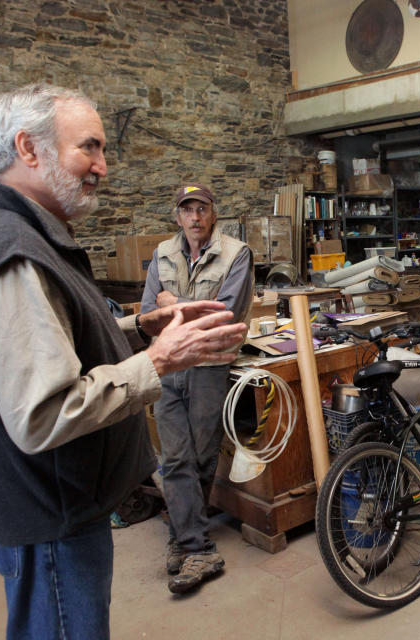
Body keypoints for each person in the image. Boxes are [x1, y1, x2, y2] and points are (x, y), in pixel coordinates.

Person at [0, 84, 247, 639]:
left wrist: (133, 327)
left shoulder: (20, 235)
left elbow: (53, 337)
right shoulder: (13, 254)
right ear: (28, 149)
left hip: (49, 506)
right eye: (89, 148)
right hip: (49, 513)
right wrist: (158, 360)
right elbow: (44, 412)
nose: (103, 166)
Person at [140, 183, 253, 593]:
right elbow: (148, 316)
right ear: (177, 216)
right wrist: (173, 309)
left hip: (209, 366)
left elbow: (222, 318)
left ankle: (181, 538)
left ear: (213, 212)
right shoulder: (162, 254)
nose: (194, 217)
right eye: (187, 209)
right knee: (175, 457)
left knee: (203, 457)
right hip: (169, 366)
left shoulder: (236, 254)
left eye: (201, 208)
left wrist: (174, 304)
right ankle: (197, 546)